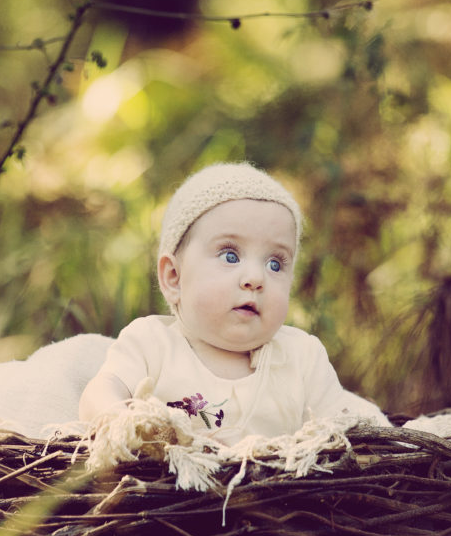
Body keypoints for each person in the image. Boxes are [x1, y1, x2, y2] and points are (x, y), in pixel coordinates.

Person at [78, 162, 390, 445]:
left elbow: (347, 428)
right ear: (174, 277)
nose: (255, 278)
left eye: (275, 264)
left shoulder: (302, 358)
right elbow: (102, 390)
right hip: (167, 487)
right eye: (230, 256)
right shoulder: (151, 343)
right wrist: (122, 420)